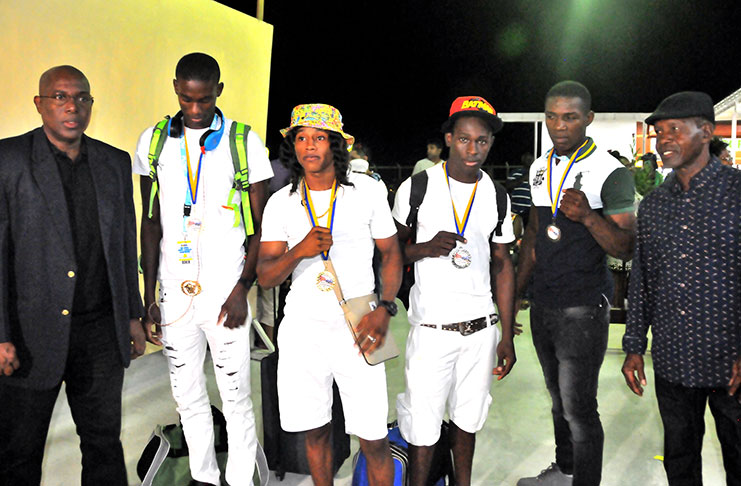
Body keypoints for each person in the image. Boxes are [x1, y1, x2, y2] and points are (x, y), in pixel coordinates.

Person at [0, 65, 145, 486]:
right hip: (30, 333)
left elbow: (123, 245)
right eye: (60, 97)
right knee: (17, 451)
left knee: (103, 443)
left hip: (98, 331)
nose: (72, 106)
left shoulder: (114, 163)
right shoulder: (9, 161)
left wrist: (132, 316)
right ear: (40, 104)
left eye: (81, 98)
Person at [135, 53, 272, 486]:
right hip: (174, 295)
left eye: (205, 100)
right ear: (175, 87)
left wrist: (241, 289)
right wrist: (148, 296)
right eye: (187, 98)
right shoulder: (153, 142)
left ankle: (238, 481)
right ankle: (204, 477)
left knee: (235, 397)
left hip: (225, 292)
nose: (195, 109)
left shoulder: (243, 142)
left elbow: (261, 229)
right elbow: (150, 221)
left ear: (219, 91)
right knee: (187, 396)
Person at [257, 103, 401, 486]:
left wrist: (384, 309)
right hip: (303, 329)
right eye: (301, 138)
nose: (309, 146)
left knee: (373, 436)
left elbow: (391, 254)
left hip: (361, 322)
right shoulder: (280, 202)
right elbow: (266, 275)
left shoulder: (367, 191)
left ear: (335, 145)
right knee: (314, 430)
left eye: (319, 138)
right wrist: (298, 250)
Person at [515, 81, 636, 486]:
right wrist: (516, 294)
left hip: (583, 308)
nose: (559, 125)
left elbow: (625, 247)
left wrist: (587, 217)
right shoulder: (538, 167)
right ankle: (565, 470)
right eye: (551, 116)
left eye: (569, 117)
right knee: (557, 402)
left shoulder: (610, 171)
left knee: (580, 409)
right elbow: (533, 235)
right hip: (545, 305)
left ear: (588, 118)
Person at [393, 96, 517, 486]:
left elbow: (502, 264)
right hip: (432, 330)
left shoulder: (496, 195)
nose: (473, 149)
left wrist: (507, 332)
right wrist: (424, 249)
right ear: (448, 138)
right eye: (464, 139)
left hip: (480, 330)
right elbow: (390, 254)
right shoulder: (416, 188)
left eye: (482, 141)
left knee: (468, 419)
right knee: (422, 426)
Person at [622, 91, 741, 486]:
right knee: (680, 461)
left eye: (675, 129)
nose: (664, 140)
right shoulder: (654, 205)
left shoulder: (736, 192)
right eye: (658, 132)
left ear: (706, 132)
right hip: (673, 360)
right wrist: (635, 346)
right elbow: (643, 278)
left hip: (732, 363)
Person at [506, 152, 535, 228]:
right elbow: (508, 186)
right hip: (515, 209)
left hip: (530, 210)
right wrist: (523, 178)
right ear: (523, 159)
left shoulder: (537, 173)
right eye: (527, 159)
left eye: (530, 159)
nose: (529, 161)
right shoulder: (515, 172)